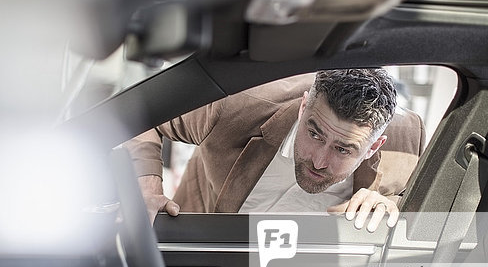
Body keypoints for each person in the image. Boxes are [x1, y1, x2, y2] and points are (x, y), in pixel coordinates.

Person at [124, 69, 425, 232]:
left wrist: (390, 203)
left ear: (375, 146)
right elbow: (139, 113)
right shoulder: (236, 103)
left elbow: (418, 208)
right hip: (207, 257)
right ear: (303, 106)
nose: (319, 160)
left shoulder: (407, 140)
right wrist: (147, 187)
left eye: (343, 149)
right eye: (314, 133)